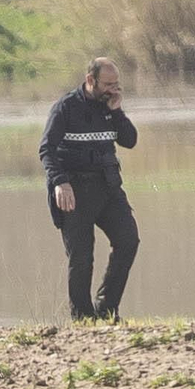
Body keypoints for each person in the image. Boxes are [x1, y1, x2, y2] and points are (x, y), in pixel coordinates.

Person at [39, 57, 139, 322]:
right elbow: (46, 150)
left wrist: (117, 112)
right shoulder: (66, 107)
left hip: (108, 187)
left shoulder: (110, 108)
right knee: (82, 257)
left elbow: (130, 141)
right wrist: (60, 183)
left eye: (117, 84)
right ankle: (83, 319)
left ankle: (106, 309)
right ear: (90, 81)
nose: (113, 90)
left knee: (128, 240)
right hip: (74, 190)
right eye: (108, 84)